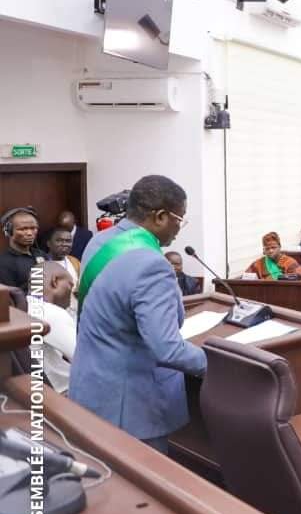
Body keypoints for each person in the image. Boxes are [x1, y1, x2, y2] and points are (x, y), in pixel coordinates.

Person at [69, 175, 206, 452]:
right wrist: (217, 363)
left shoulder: (100, 242)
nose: (179, 229)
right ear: (160, 217)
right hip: (130, 409)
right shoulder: (151, 265)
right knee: (142, 489)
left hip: (91, 385)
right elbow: (167, 348)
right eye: (180, 219)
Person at [39, 261, 77, 394]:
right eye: (70, 286)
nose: (71, 295)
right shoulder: (53, 313)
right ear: (55, 281)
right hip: (59, 393)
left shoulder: (26, 304)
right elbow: (82, 358)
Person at [0, 207, 44, 292]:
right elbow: (10, 297)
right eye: (23, 229)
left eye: (33, 228)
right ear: (9, 231)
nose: (29, 233)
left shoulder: (41, 255)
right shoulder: (3, 262)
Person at [43, 227, 81, 297]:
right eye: (59, 240)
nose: (64, 244)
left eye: (68, 241)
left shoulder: (74, 261)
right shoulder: (40, 262)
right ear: (48, 243)